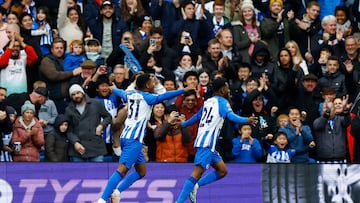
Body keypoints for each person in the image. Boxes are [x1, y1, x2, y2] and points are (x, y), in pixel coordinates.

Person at [95, 73, 195, 203]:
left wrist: (112, 88)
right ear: (147, 85)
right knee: (122, 170)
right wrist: (184, 90)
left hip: (126, 137)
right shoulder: (148, 97)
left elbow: (120, 92)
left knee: (141, 171)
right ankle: (102, 199)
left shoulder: (130, 94)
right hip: (134, 140)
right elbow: (164, 96)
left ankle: (117, 192)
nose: (154, 83)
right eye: (153, 81)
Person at [175, 77, 257, 203]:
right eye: (226, 86)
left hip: (206, 143)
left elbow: (197, 116)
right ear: (223, 89)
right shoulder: (222, 102)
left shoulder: (208, 101)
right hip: (207, 143)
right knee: (196, 173)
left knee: (222, 171)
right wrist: (246, 120)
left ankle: (196, 186)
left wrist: (184, 124)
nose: (228, 89)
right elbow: (230, 116)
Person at [65, 84, 112, 162]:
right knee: (79, 174)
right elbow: (68, 129)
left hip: (95, 146)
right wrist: (75, 142)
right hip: (78, 148)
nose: (76, 96)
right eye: (73, 94)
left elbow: (108, 117)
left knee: (98, 173)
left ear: (82, 93)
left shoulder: (96, 103)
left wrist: (101, 125)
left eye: (78, 93)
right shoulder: (68, 109)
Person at [39, 37, 82, 113]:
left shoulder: (68, 58)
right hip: (54, 99)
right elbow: (53, 75)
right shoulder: (47, 60)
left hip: (69, 99)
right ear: (52, 49)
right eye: (57, 48)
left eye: (61, 48)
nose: (59, 50)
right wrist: (72, 73)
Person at [313, 96, 351, 163]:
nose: (328, 110)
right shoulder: (318, 121)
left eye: (331, 108)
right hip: (323, 160)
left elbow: (347, 122)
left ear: (334, 109)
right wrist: (326, 114)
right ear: (322, 109)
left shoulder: (340, 119)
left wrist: (345, 109)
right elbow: (318, 126)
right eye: (326, 108)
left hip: (340, 158)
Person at [0, 30, 38, 96]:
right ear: (7, 48)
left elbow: (34, 57)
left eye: (17, 46)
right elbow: (2, 63)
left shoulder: (23, 58)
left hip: (22, 94)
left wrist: (21, 42)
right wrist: (11, 44)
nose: (15, 48)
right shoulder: (3, 57)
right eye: (13, 46)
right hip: (6, 95)